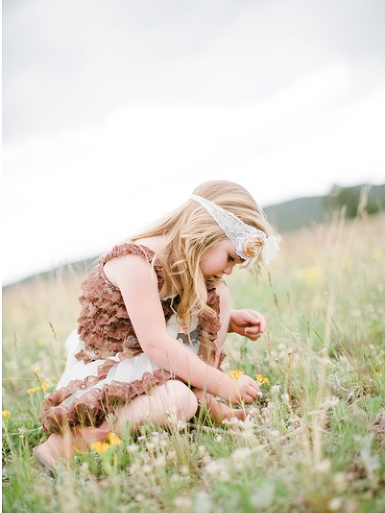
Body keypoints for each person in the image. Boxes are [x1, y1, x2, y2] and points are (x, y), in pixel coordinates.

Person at [33, 181, 280, 473]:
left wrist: (231, 318)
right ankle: (69, 442)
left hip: (150, 358)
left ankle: (206, 402)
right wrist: (224, 384)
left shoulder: (185, 263)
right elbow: (155, 342)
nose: (229, 269)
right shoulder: (136, 261)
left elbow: (169, 314)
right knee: (178, 399)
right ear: (205, 232)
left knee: (219, 294)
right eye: (229, 258)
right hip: (113, 366)